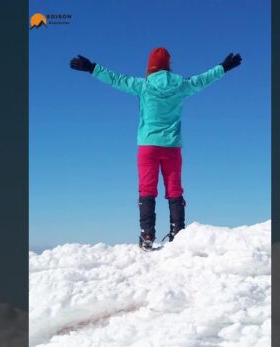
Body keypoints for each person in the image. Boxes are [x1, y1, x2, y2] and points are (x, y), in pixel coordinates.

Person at [69, 48, 242, 251]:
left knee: (147, 189)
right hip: (172, 147)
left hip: (148, 146)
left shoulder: (143, 86)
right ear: (168, 66)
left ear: (150, 67)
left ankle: (147, 235)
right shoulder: (181, 86)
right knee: (175, 189)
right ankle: (178, 234)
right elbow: (203, 80)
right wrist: (223, 68)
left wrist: (92, 68)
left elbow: (116, 79)